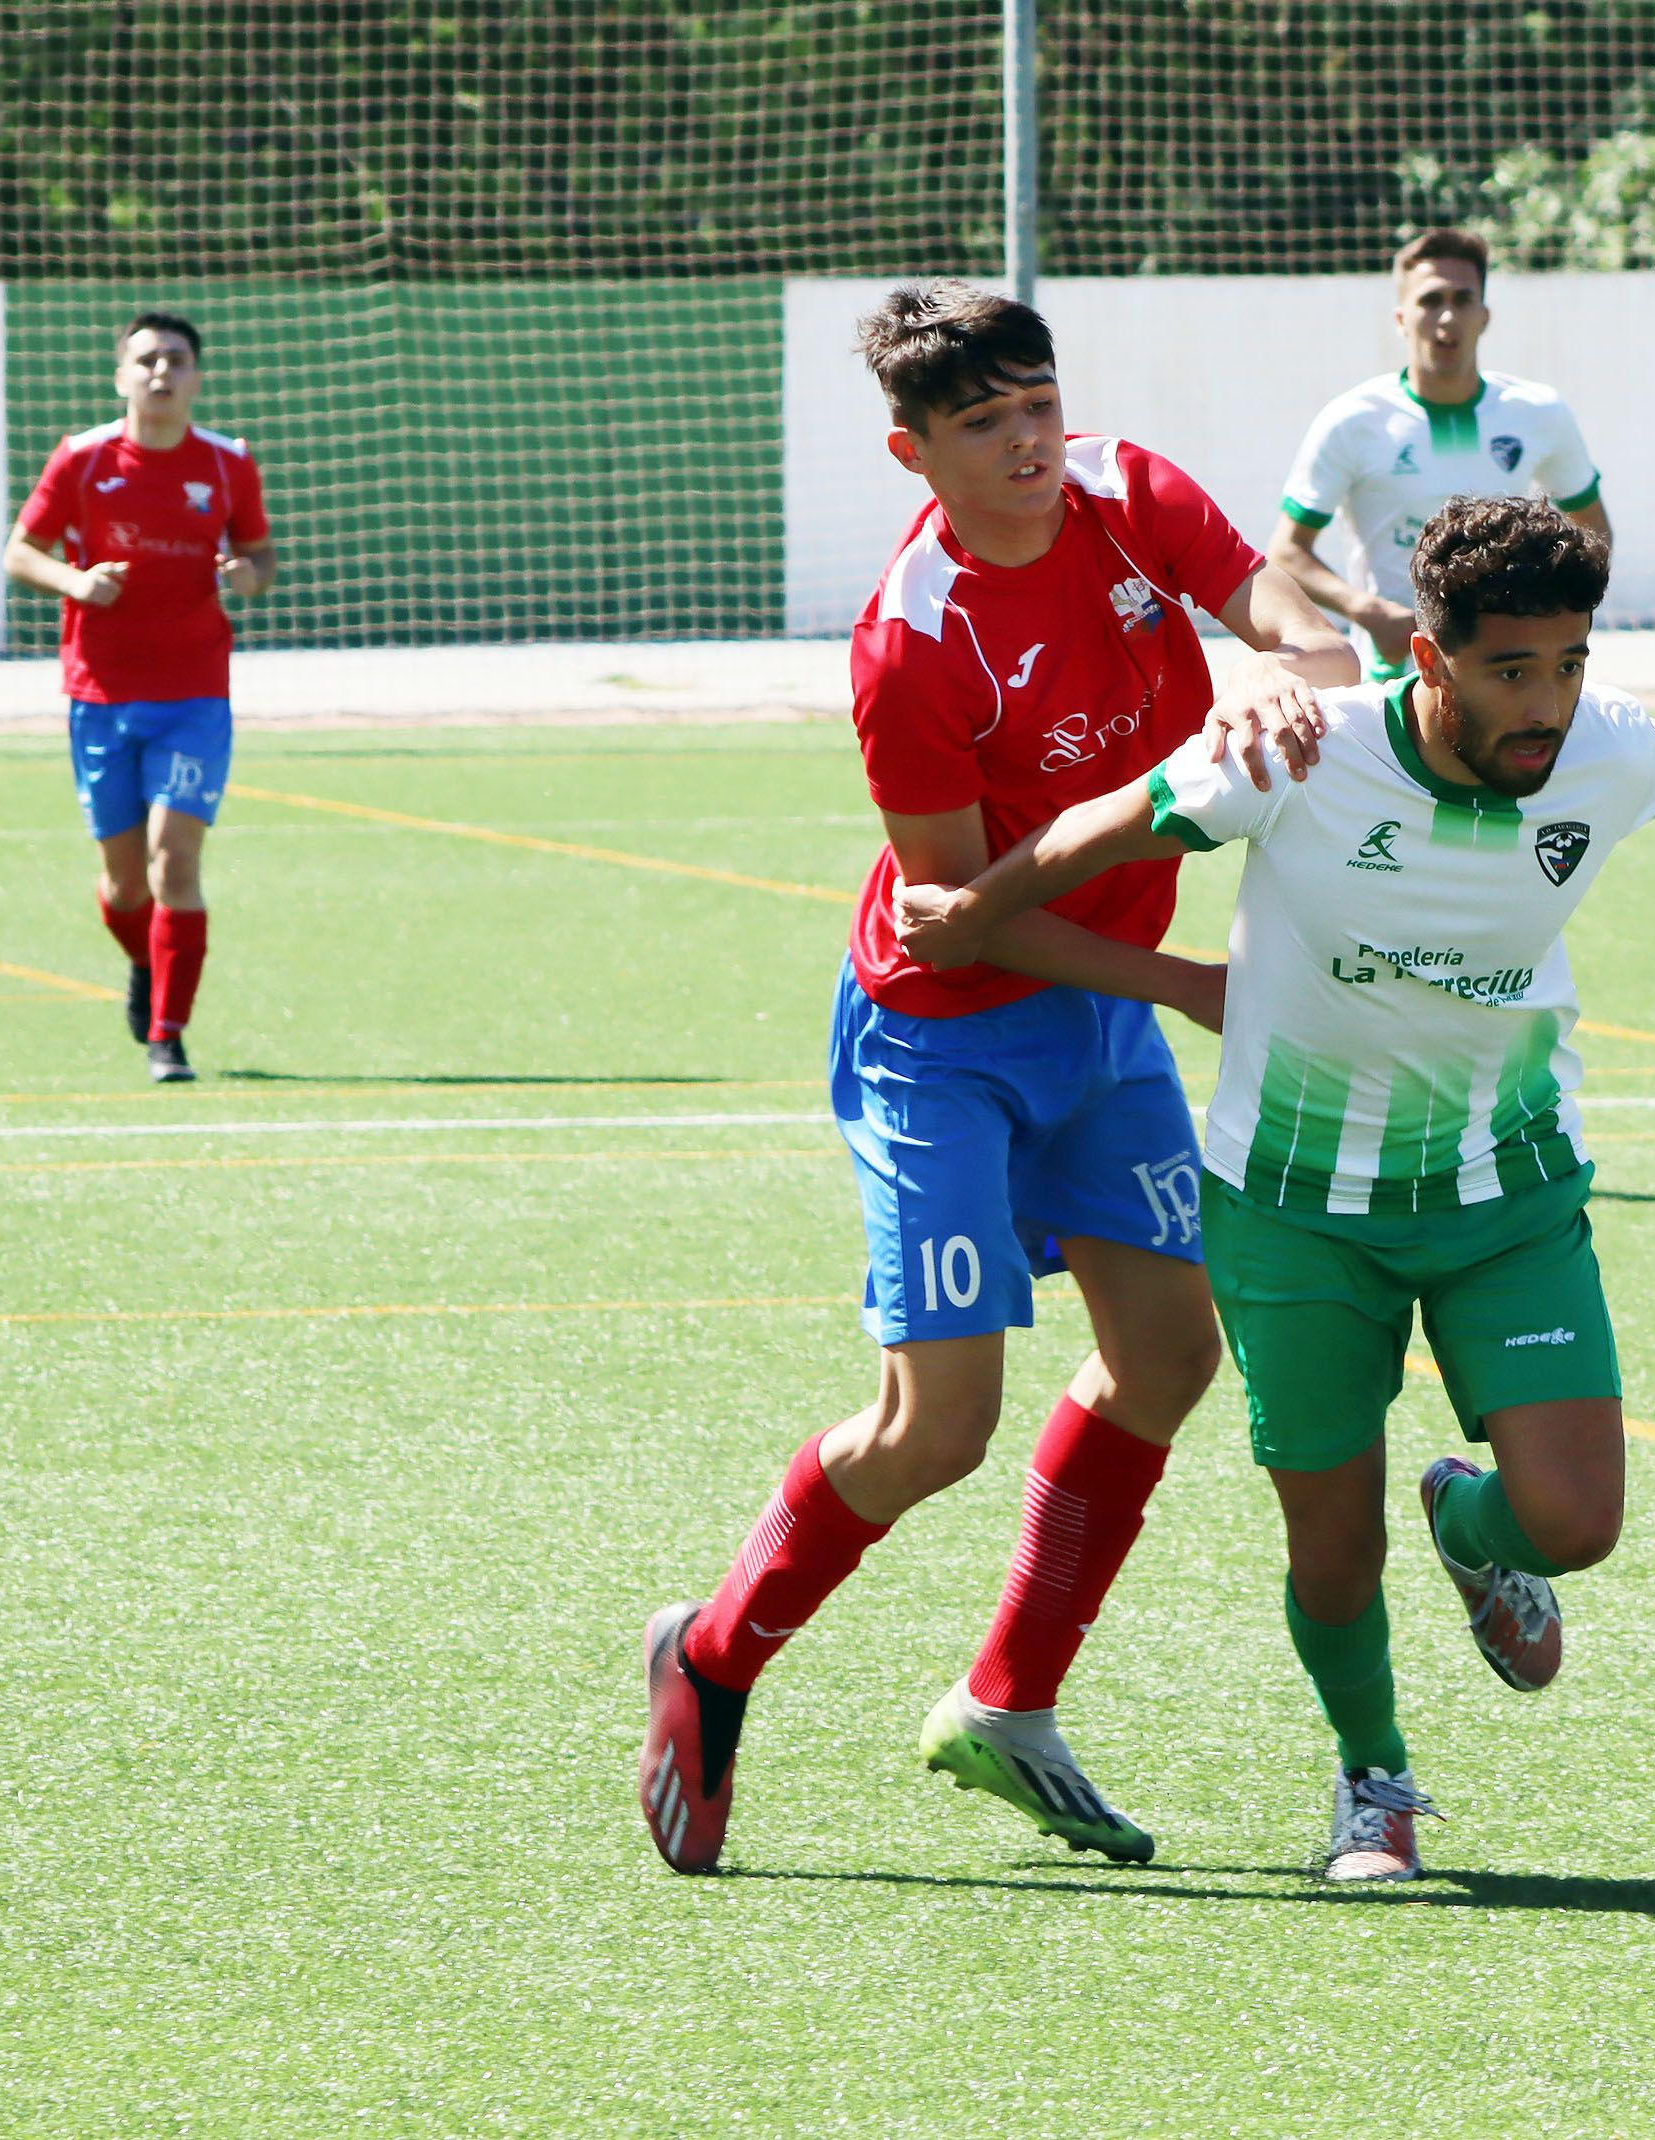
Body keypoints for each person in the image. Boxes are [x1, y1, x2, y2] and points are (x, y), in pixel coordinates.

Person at [895, 495, 1655, 1882]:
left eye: (1570, 663)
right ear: (1430, 660)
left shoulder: (1601, 747)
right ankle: (1375, 1779)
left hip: (1504, 1188)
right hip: (1292, 1210)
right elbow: (1120, 822)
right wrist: (977, 910)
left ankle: (1471, 1526)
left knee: (1574, 1525)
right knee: (1331, 1553)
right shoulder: (1301, 757)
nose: (1549, 703)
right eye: (1511, 671)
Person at [637, 281, 1357, 1876]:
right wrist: (1185, 986)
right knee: (938, 1427)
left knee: (1169, 1358)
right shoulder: (908, 647)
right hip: (947, 1031)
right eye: (986, 423)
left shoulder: (1126, 490)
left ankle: (1008, 1703)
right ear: (916, 453)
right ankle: (716, 1652)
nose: (1032, 440)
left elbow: (1270, 601)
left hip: (1099, 1026)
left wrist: (1303, 663)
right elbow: (971, 918)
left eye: (1038, 401)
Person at [6, 312, 277, 1083]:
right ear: (121, 375)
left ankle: (169, 1036)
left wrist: (247, 577)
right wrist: (75, 583)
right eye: (148, 360)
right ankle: (147, 966)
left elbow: (260, 555)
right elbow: (20, 550)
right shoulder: (83, 459)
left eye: (177, 361)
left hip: (194, 694)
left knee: (174, 861)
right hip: (100, 692)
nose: (162, 373)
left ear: (197, 377)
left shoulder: (228, 465)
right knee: (124, 885)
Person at [1269, 229, 1610, 680]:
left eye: (1463, 299)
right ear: (1401, 317)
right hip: (1390, 677)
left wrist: (1537, 611)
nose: (1447, 317)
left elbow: (1593, 534)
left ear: (1484, 316)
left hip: (1503, 673)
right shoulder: (1352, 421)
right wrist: (1368, 611)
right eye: (1430, 301)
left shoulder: (1539, 412)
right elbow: (1287, 551)